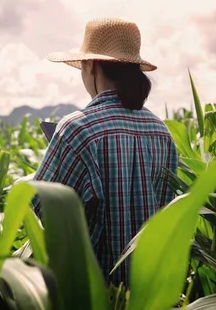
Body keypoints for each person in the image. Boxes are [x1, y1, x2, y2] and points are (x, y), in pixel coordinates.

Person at [32, 18, 178, 287]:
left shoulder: (78, 129)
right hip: (149, 291)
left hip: (95, 290)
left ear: (91, 65)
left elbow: (43, 209)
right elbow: (165, 214)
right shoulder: (162, 133)